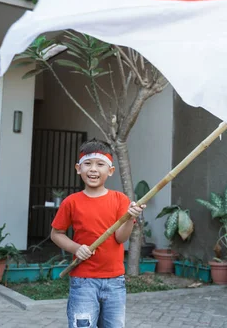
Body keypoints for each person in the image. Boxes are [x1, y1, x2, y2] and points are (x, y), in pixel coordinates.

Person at [51, 138, 145, 328]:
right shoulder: (71, 202)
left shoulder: (120, 199)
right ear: (79, 168)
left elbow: (120, 238)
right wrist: (77, 248)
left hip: (115, 282)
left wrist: (129, 219)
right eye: (88, 164)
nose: (93, 169)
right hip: (83, 281)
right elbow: (56, 233)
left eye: (100, 164)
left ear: (110, 171)